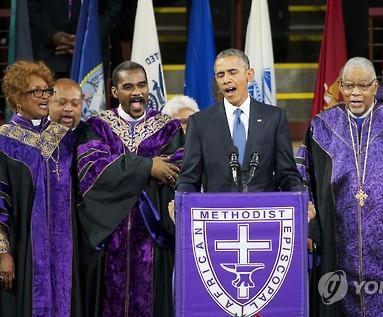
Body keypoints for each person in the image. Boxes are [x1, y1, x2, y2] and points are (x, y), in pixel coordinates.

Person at [296, 57, 383, 316]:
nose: (355, 93)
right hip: (336, 240)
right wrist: (311, 229)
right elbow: (302, 179)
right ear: (340, 87)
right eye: (348, 85)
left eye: (363, 85)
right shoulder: (322, 127)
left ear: (376, 86)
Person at [76, 61, 183, 317]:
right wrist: (147, 167)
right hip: (109, 234)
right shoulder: (96, 127)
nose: (137, 92)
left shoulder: (168, 127)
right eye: (128, 86)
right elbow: (93, 170)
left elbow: (177, 168)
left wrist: (124, 172)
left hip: (153, 236)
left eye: (142, 85)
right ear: (114, 92)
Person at [0, 61, 78, 316]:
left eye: (47, 90)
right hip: (24, 251)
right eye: (36, 91)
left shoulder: (65, 138)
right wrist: (3, 253)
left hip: (65, 250)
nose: (44, 97)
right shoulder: (5, 141)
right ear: (17, 98)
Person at [177, 48, 303, 193]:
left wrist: (301, 200)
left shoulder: (273, 118)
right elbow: (188, 179)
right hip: (218, 211)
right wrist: (180, 200)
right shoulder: (200, 123)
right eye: (220, 75)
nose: (226, 80)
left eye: (232, 72)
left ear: (249, 75)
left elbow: (287, 175)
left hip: (262, 211)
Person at [28, 0, 122, 77]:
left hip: (90, 55)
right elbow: (32, 5)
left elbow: (113, 8)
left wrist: (87, 38)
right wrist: (52, 34)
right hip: (50, 53)